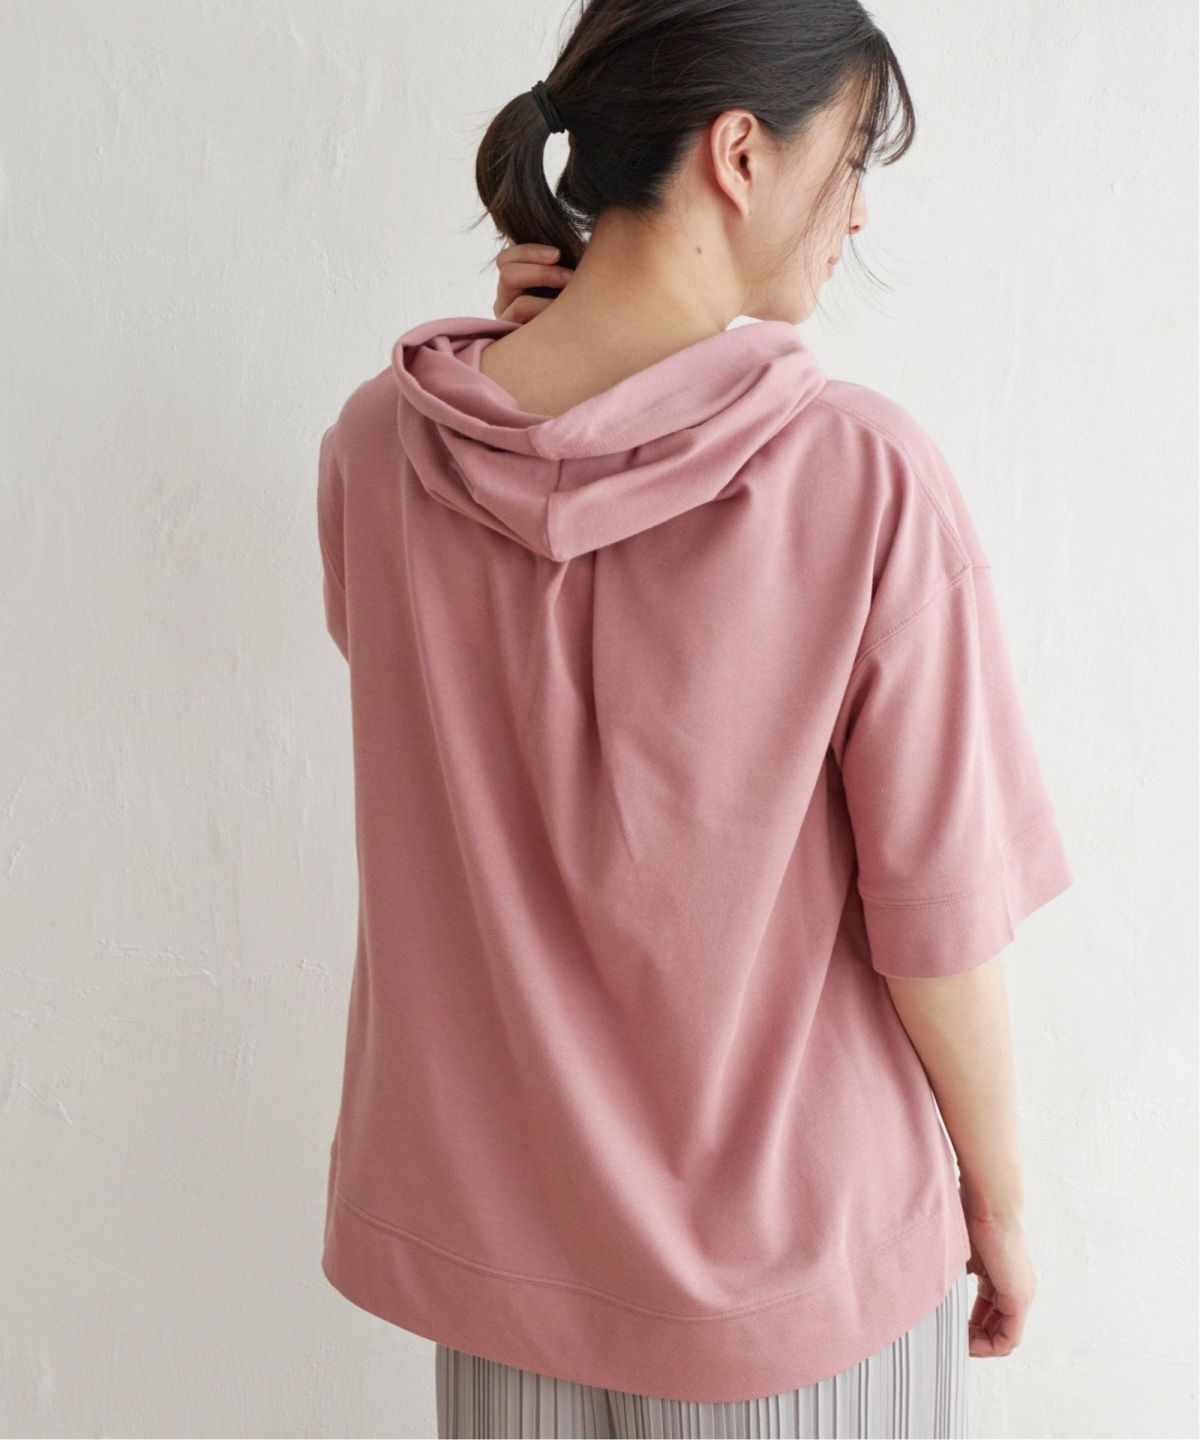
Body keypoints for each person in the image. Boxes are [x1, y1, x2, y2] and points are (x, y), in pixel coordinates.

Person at [315, 3, 1073, 1437]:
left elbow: (443, 733)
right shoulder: (862, 478)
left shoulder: (380, 452)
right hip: (804, 1293)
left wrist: (551, 370)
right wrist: (1002, 1206)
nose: (858, 212)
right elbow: (940, 933)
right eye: (851, 159)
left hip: (509, 1277)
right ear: (740, 153)